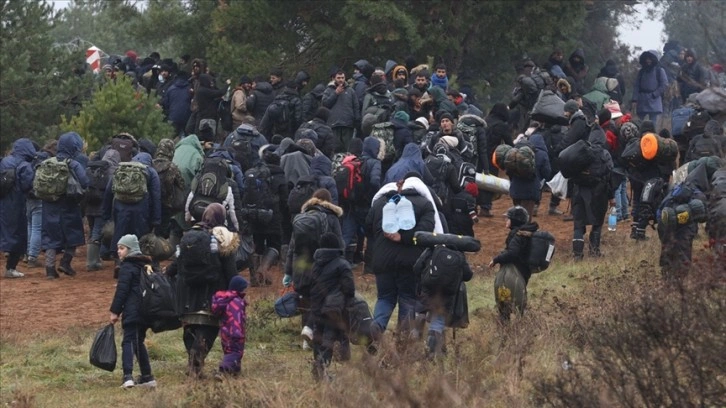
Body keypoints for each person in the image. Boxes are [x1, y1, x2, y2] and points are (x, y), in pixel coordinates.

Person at [165, 203, 239, 378]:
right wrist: (236, 291)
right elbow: (231, 271)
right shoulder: (223, 237)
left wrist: (167, 273)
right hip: (211, 292)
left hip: (186, 293)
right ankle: (195, 365)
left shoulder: (189, 236)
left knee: (190, 327)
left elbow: (177, 263)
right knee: (209, 328)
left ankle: (193, 363)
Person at [366, 173, 439, 342]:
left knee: (385, 298)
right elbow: (425, 233)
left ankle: (376, 328)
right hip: (410, 263)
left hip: (383, 261)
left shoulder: (380, 204)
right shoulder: (425, 204)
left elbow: (368, 228)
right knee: (408, 298)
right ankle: (403, 341)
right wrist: (405, 238)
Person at [109, 234, 157, 389]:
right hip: (147, 311)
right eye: (118, 248)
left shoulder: (127, 267)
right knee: (138, 342)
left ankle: (127, 376)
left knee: (128, 341)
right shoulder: (146, 266)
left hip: (133, 311)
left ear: (130, 250)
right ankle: (147, 376)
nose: (119, 251)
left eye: (122, 248)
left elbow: (122, 291)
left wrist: (114, 312)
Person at [306, 232, 355, 381]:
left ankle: (318, 367)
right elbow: (349, 288)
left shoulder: (315, 264)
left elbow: (309, 284)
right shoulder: (342, 264)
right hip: (333, 308)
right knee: (329, 337)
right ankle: (322, 368)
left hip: (316, 307)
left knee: (317, 336)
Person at [41, 132, 89, 279]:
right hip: (69, 205)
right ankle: (65, 262)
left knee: (50, 237)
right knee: (73, 234)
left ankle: (50, 269)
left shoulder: (47, 163)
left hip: (49, 205)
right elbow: (85, 182)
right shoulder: (73, 164)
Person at [488, 206, 538, 321]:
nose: (506, 221)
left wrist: (496, 259)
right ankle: (520, 328)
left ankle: (507, 327)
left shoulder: (517, 235)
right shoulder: (525, 233)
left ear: (515, 220)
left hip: (515, 272)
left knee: (507, 303)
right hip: (522, 272)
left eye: (508, 218)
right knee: (518, 301)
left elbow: (512, 253)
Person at [0, 138, 37, 278]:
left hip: (2, 202)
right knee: (17, 234)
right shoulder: (24, 165)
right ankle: (11, 268)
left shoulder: (4, 161)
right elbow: (28, 185)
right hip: (17, 204)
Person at [210, 275, 248, 378]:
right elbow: (236, 319)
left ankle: (235, 371)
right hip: (234, 333)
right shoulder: (236, 302)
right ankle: (223, 371)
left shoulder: (226, 300)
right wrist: (237, 333)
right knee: (235, 352)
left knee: (229, 352)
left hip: (225, 333)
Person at [322, 70, 360, 153]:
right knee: (335, 150)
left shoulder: (350, 91)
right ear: (334, 78)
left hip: (347, 124)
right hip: (333, 124)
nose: (340, 80)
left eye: (342, 78)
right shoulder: (328, 90)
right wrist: (335, 93)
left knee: (348, 150)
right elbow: (325, 104)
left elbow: (356, 106)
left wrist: (357, 120)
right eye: (338, 78)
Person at [631, 50, 668, 124]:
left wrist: (655, 94)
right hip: (642, 99)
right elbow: (637, 86)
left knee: (653, 123)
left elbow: (664, 84)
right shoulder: (641, 72)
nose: (648, 61)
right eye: (647, 59)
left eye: (650, 59)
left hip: (654, 100)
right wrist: (634, 100)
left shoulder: (659, 71)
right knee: (639, 123)